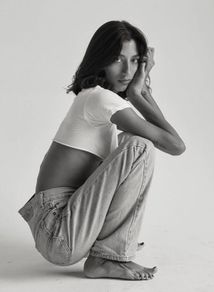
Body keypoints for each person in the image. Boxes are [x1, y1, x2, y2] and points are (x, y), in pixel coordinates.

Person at [18, 20, 186, 281]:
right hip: (58, 229)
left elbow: (172, 145)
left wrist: (138, 92)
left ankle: (110, 247)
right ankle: (107, 256)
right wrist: (138, 95)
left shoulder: (98, 99)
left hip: (64, 224)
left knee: (132, 141)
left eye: (135, 61)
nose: (127, 70)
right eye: (117, 60)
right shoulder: (99, 98)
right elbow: (175, 145)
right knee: (139, 146)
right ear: (100, 60)